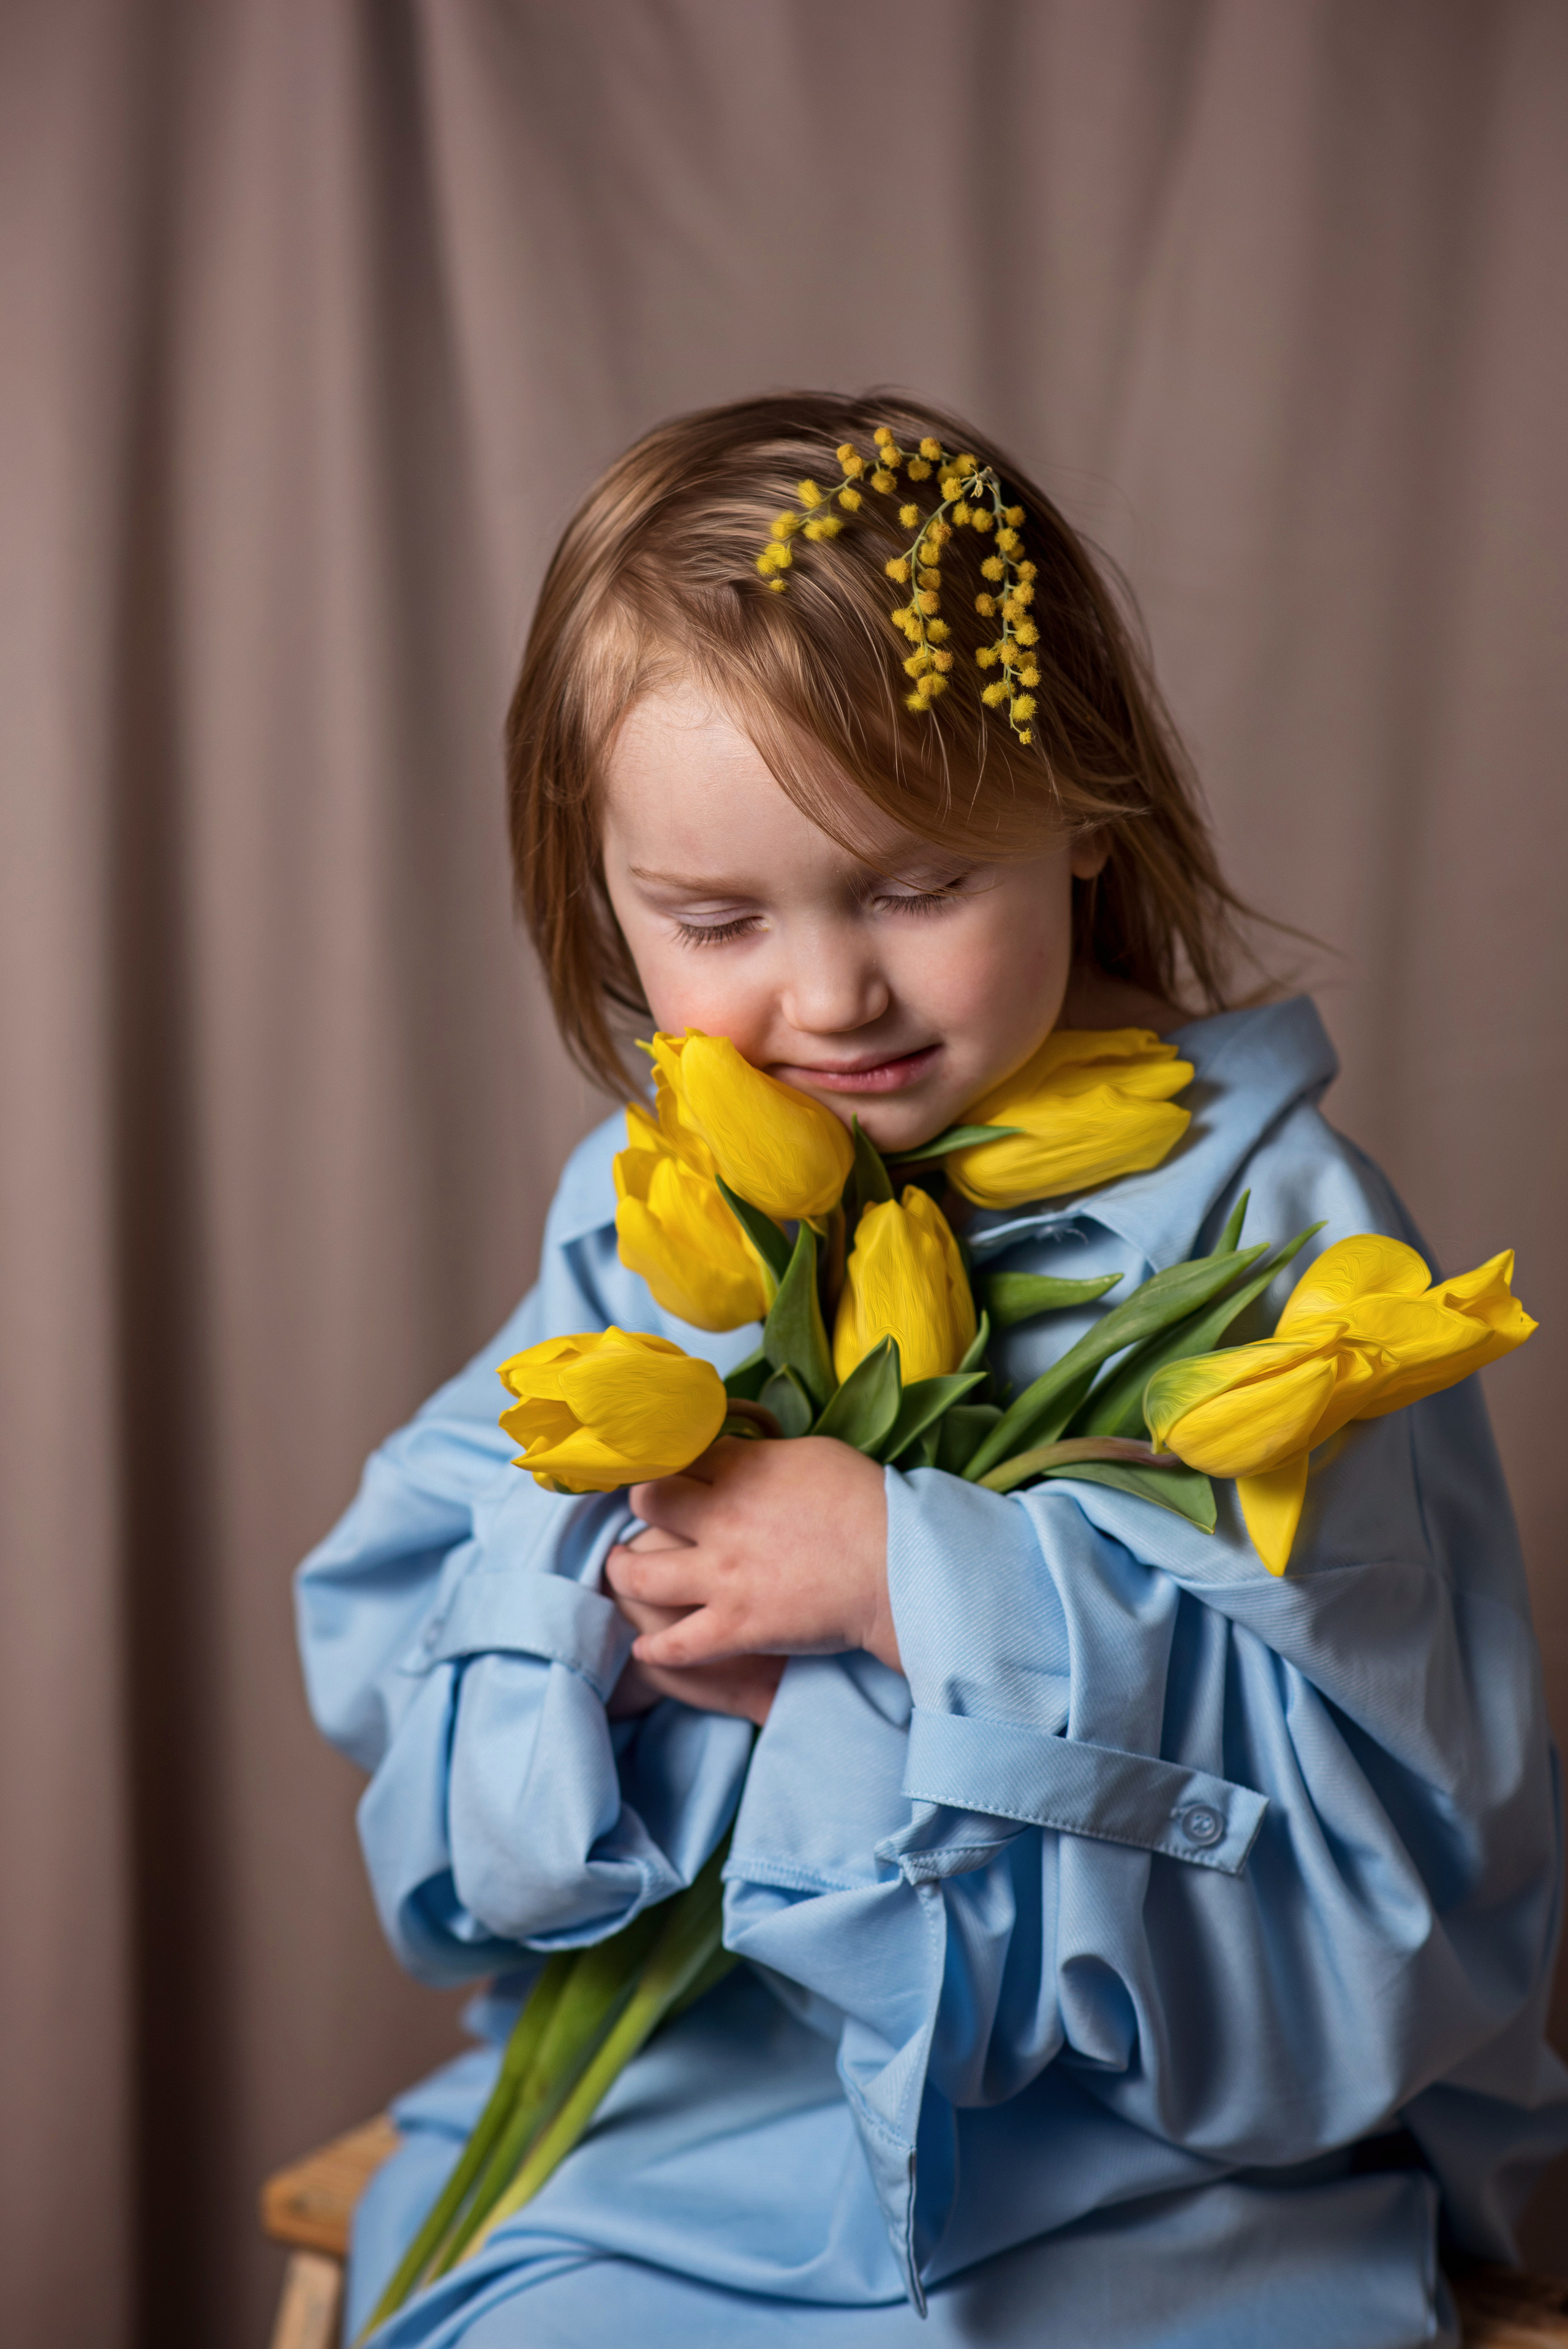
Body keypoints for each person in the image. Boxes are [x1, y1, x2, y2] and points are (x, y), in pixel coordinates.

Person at [295, 394, 1568, 2348]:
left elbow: (1401, 1841)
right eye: (714, 920)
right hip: (692, 2136)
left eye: (913, 886)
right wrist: (616, 1618)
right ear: (605, 901)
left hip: (1150, 2191)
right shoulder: (651, 1204)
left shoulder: (1278, 1239)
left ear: (1084, 811)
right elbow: (411, 1631)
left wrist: (913, 1578)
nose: (828, 998)